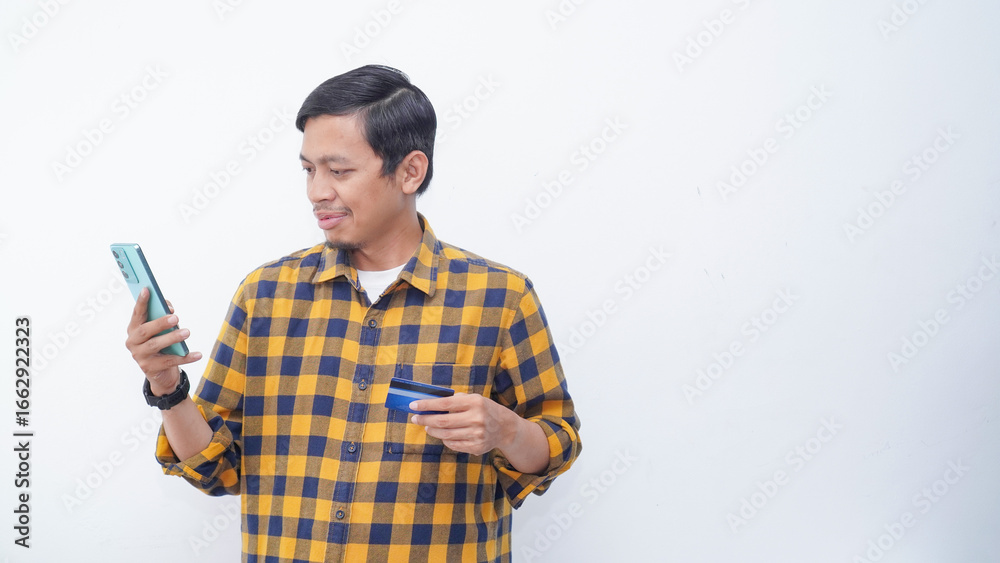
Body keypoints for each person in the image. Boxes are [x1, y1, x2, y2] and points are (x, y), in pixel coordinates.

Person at [125, 65, 582, 562]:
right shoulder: (265, 296)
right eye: (309, 170)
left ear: (410, 171)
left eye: (338, 171)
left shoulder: (499, 298)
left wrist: (507, 431)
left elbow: (556, 444)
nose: (316, 192)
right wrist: (168, 388)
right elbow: (216, 467)